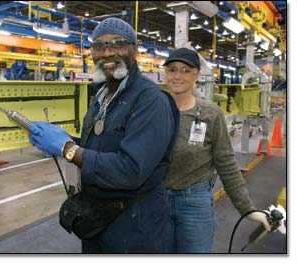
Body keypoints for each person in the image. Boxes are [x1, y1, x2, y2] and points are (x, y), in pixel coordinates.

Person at [28, 18, 179, 253]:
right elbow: (100, 148)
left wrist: (68, 148)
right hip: (96, 219)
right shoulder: (103, 95)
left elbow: (130, 170)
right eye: (98, 46)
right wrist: (62, 140)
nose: (107, 53)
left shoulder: (151, 101)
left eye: (117, 44)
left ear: (134, 50)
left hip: (133, 226)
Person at [162, 47, 271, 253]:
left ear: (197, 75)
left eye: (185, 70)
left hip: (195, 204)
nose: (177, 76)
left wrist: (247, 209)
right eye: (172, 69)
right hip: (157, 202)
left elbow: (226, 164)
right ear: (165, 73)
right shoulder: (154, 109)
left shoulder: (210, 114)